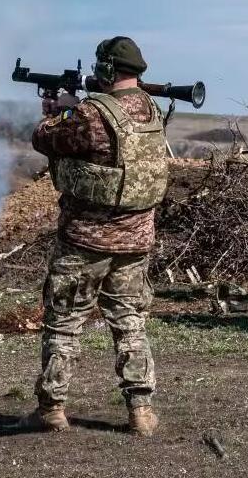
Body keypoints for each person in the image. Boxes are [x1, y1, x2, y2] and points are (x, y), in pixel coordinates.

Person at [25, 36, 168, 436]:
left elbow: (44, 139)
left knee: (64, 323)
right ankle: (141, 411)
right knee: (130, 322)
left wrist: (57, 113)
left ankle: (52, 409)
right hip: (136, 241)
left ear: (105, 69)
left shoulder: (90, 115)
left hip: (85, 241)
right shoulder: (153, 110)